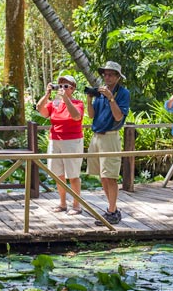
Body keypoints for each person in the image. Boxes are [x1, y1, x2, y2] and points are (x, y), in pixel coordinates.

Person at [86, 61, 130, 226]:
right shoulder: (99, 92)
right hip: (96, 136)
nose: (107, 77)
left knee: (110, 176)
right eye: (105, 74)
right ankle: (113, 209)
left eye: (111, 74)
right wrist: (89, 100)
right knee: (102, 177)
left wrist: (111, 99)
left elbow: (119, 117)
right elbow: (91, 116)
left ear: (118, 77)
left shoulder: (123, 93)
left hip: (110, 136)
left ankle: (111, 211)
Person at [37, 74, 84, 214]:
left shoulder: (78, 103)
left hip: (72, 141)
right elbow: (41, 110)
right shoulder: (54, 103)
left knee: (73, 175)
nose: (62, 88)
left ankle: (77, 205)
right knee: (58, 174)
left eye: (66, 86)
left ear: (72, 89)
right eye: (60, 85)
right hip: (55, 140)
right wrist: (47, 94)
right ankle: (62, 203)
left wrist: (66, 99)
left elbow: (76, 116)